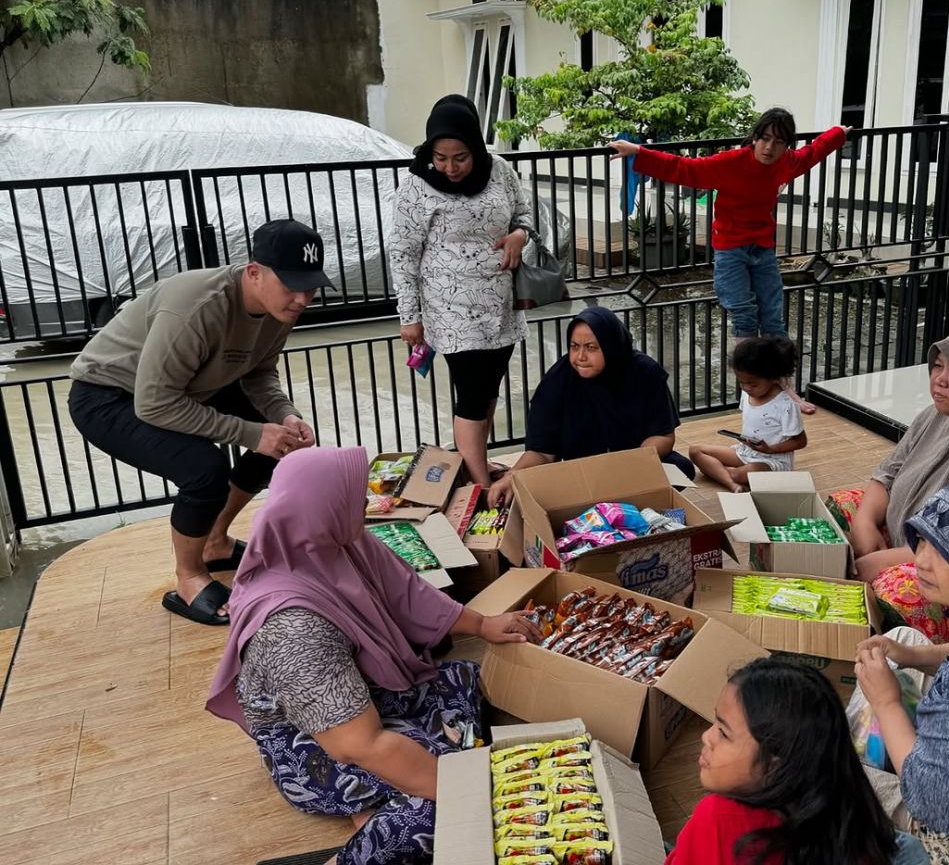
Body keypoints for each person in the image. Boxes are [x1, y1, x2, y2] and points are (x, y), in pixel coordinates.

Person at [206, 446, 539, 865]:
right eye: (354, 496)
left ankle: (379, 803)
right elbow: (359, 745)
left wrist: (483, 625)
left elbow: (407, 593)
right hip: (313, 743)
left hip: (359, 699)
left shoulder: (333, 539)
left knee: (463, 679)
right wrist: (469, 796)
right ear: (326, 506)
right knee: (441, 813)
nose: (364, 504)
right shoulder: (292, 628)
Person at [67, 219, 331, 626]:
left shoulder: (282, 308)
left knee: (284, 442)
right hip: (108, 395)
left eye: (311, 286)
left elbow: (258, 375)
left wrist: (284, 416)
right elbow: (154, 402)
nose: (301, 299)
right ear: (254, 272)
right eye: (291, 284)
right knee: (203, 470)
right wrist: (251, 433)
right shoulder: (196, 306)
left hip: (185, 387)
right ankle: (189, 577)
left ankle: (214, 542)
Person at [610, 109, 850, 414]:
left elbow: (812, 152)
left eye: (778, 141)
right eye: (764, 138)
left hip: (762, 249)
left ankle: (787, 389)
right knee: (745, 317)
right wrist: (639, 153)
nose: (769, 147)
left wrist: (839, 133)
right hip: (730, 250)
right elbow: (686, 168)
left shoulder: (786, 162)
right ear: (754, 138)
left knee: (774, 318)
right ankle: (751, 394)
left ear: (785, 145)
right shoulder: (731, 162)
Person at [389, 94, 534, 487]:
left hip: (501, 305)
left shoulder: (500, 170)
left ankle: (477, 467)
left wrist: (520, 235)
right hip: (450, 311)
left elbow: (524, 215)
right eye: (441, 157)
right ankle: (481, 486)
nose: (450, 167)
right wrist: (410, 317)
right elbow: (403, 252)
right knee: (471, 394)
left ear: (476, 147)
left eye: (460, 157)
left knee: (488, 391)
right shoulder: (416, 186)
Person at [855, 479, 949, 863]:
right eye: (921, 541)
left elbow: (932, 803)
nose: (920, 559)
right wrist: (909, 656)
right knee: (903, 636)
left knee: (821, 766)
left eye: (945, 549)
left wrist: (885, 703)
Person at [830, 322, 949, 642]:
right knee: (839, 508)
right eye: (937, 366)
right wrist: (865, 523)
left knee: (898, 591)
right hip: (902, 537)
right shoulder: (933, 416)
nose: (939, 380)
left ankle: (886, 654)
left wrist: (881, 561)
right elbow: (888, 472)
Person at [665, 657, 924, 864]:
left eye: (723, 733)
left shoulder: (719, 819)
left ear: (776, 763)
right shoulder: (847, 817)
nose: (706, 737)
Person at [487, 306, 693, 507]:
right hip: (582, 473)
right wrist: (513, 475)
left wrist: (629, 465)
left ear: (611, 345)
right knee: (534, 489)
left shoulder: (645, 372)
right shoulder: (558, 380)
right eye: (574, 346)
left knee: (681, 468)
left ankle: (622, 507)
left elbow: (663, 435)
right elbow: (542, 452)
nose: (580, 357)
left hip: (632, 467)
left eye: (591, 347)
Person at [689, 337, 806, 493]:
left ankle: (721, 473)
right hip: (745, 452)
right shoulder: (747, 394)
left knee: (740, 474)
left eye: (753, 384)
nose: (746, 388)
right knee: (695, 451)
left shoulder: (786, 405)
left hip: (771, 461)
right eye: (741, 382)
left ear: (773, 377)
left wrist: (770, 449)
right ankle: (731, 482)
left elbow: (800, 441)